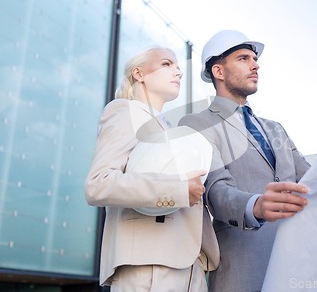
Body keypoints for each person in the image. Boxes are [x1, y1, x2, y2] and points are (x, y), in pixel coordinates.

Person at [179, 30, 310, 292]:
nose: (255, 64)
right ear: (218, 71)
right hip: (242, 268)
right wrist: (257, 206)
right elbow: (215, 190)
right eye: (243, 58)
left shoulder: (276, 129)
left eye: (254, 58)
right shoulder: (196, 124)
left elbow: (308, 178)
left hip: (297, 267)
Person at [85, 46, 219, 292]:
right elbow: (99, 184)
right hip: (150, 268)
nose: (178, 71)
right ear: (139, 73)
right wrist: (178, 190)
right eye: (167, 64)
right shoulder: (124, 111)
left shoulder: (166, 127)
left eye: (178, 67)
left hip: (189, 267)